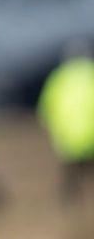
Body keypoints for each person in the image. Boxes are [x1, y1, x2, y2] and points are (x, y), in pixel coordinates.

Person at [37, 38, 94, 206]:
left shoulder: (58, 78)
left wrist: (55, 128)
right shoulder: (91, 75)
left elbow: (45, 109)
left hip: (67, 138)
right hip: (91, 136)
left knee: (71, 173)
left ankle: (71, 204)